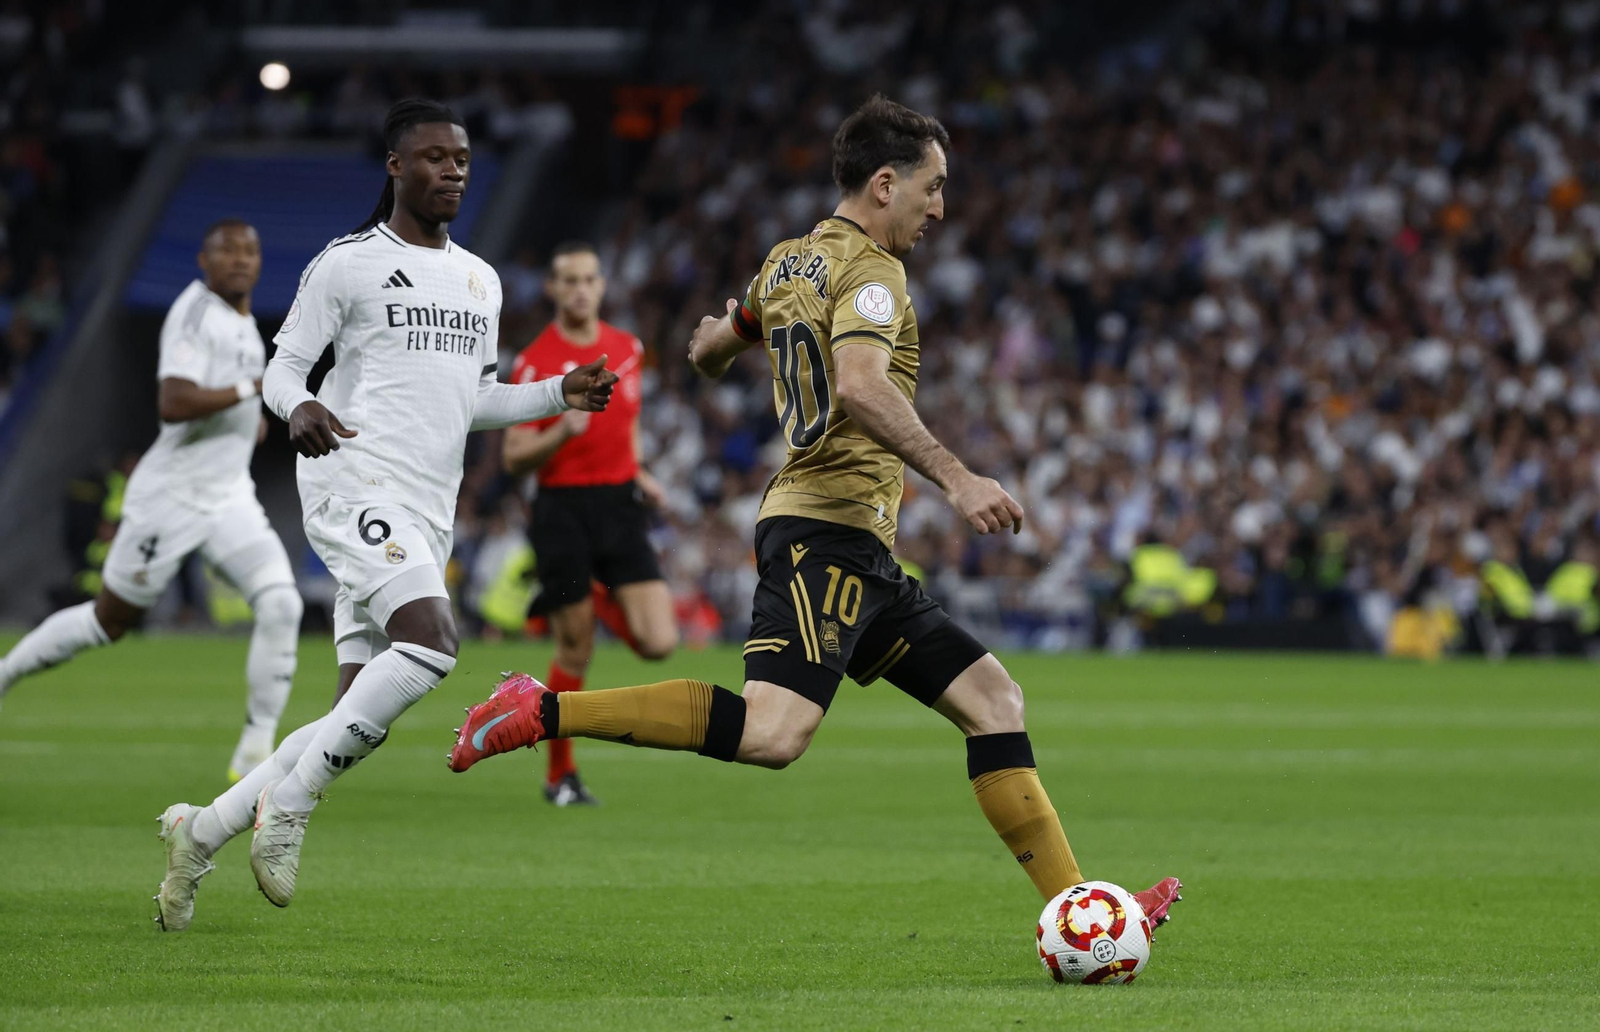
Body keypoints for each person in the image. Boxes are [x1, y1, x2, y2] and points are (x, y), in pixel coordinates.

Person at [450, 96, 1182, 925]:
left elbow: (713, 347)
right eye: (933, 187)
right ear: (883, 184)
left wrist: (710, 342)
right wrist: (958, 477)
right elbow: (863, 385)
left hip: (854, 545)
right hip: (822, 533)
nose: (941, 207)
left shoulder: (787, 262)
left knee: (994, 700)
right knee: (772, 733)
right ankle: (539, 708)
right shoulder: (875, 272)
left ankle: (1082, 913)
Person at [150, 99, 616, 930]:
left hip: (424, 507)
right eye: (434, 157)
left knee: (352, 711)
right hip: (351, 482)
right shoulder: (348, 263)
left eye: (462, 159)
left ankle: (200, 831)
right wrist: (296, 408)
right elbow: (282, 367)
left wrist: (558, 392)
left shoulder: (481, 279)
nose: (452, 171)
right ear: (396, 167)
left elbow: (473, 397)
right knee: (434, 641)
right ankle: (289, 805)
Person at [0, 220, 302, 783]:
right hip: (172, 496)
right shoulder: (194, 313)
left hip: (230, 495)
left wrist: (248, 422)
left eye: (250, 250)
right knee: (108, 621)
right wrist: (250, 392)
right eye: (227, 251)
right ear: (203, 261)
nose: (240, 259)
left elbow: (227, 398)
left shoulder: (242, 322)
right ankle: (4, 674)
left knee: (281, 604)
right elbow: (175, 400)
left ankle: (254, 755)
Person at [502, 241, 678, 806]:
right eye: (568, 280)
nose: (579, 289)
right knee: (575, 649)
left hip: (620, 503)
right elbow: (513, 456)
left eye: (588, 279)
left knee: (659, 642)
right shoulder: (536, 361)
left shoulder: (627, 349)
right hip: (562, 509)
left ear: (602, 286)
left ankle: (592, 597)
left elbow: (627, 423)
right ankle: (560, 777)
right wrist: (560, 431)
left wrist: (642, 471)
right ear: (552, 289)